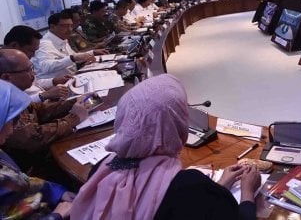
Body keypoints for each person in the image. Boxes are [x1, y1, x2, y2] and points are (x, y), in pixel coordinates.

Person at [70, 74, 261, 220]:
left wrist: (219, 188)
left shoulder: (102, 168)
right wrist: (247, 192)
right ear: (176, 122)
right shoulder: (189, 186)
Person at [0, 49, 89, 176]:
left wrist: (74, 102)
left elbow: (38, 110)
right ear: (6, 77)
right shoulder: (5, 102)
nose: (34, 73)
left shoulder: (15, 94)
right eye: (28, 70)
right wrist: (73, 118)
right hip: (32, 169)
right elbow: (33, 138)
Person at [0, 80, 76, 219]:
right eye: (11, 120)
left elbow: (22, 180)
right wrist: (57, 215)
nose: (13, 129)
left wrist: (58, 192)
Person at [3, 26, 70, 102]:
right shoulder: (3, 65)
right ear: (14, 45)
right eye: (31, 50)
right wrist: (44, 95)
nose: (34, 55)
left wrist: (54, 81)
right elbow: (11, 106)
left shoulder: (17, 59)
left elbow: (34, 83)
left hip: (43, 104)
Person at [33, 11, 97, 79]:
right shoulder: (44, 43)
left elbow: (75, 56)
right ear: (52, 27)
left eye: (71, 26)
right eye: (65, 26)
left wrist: (93, 52)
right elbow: (45, 67)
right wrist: (73, 58)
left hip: (72, 77)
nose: (70, 29)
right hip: (56, 86)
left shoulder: (62, 38)